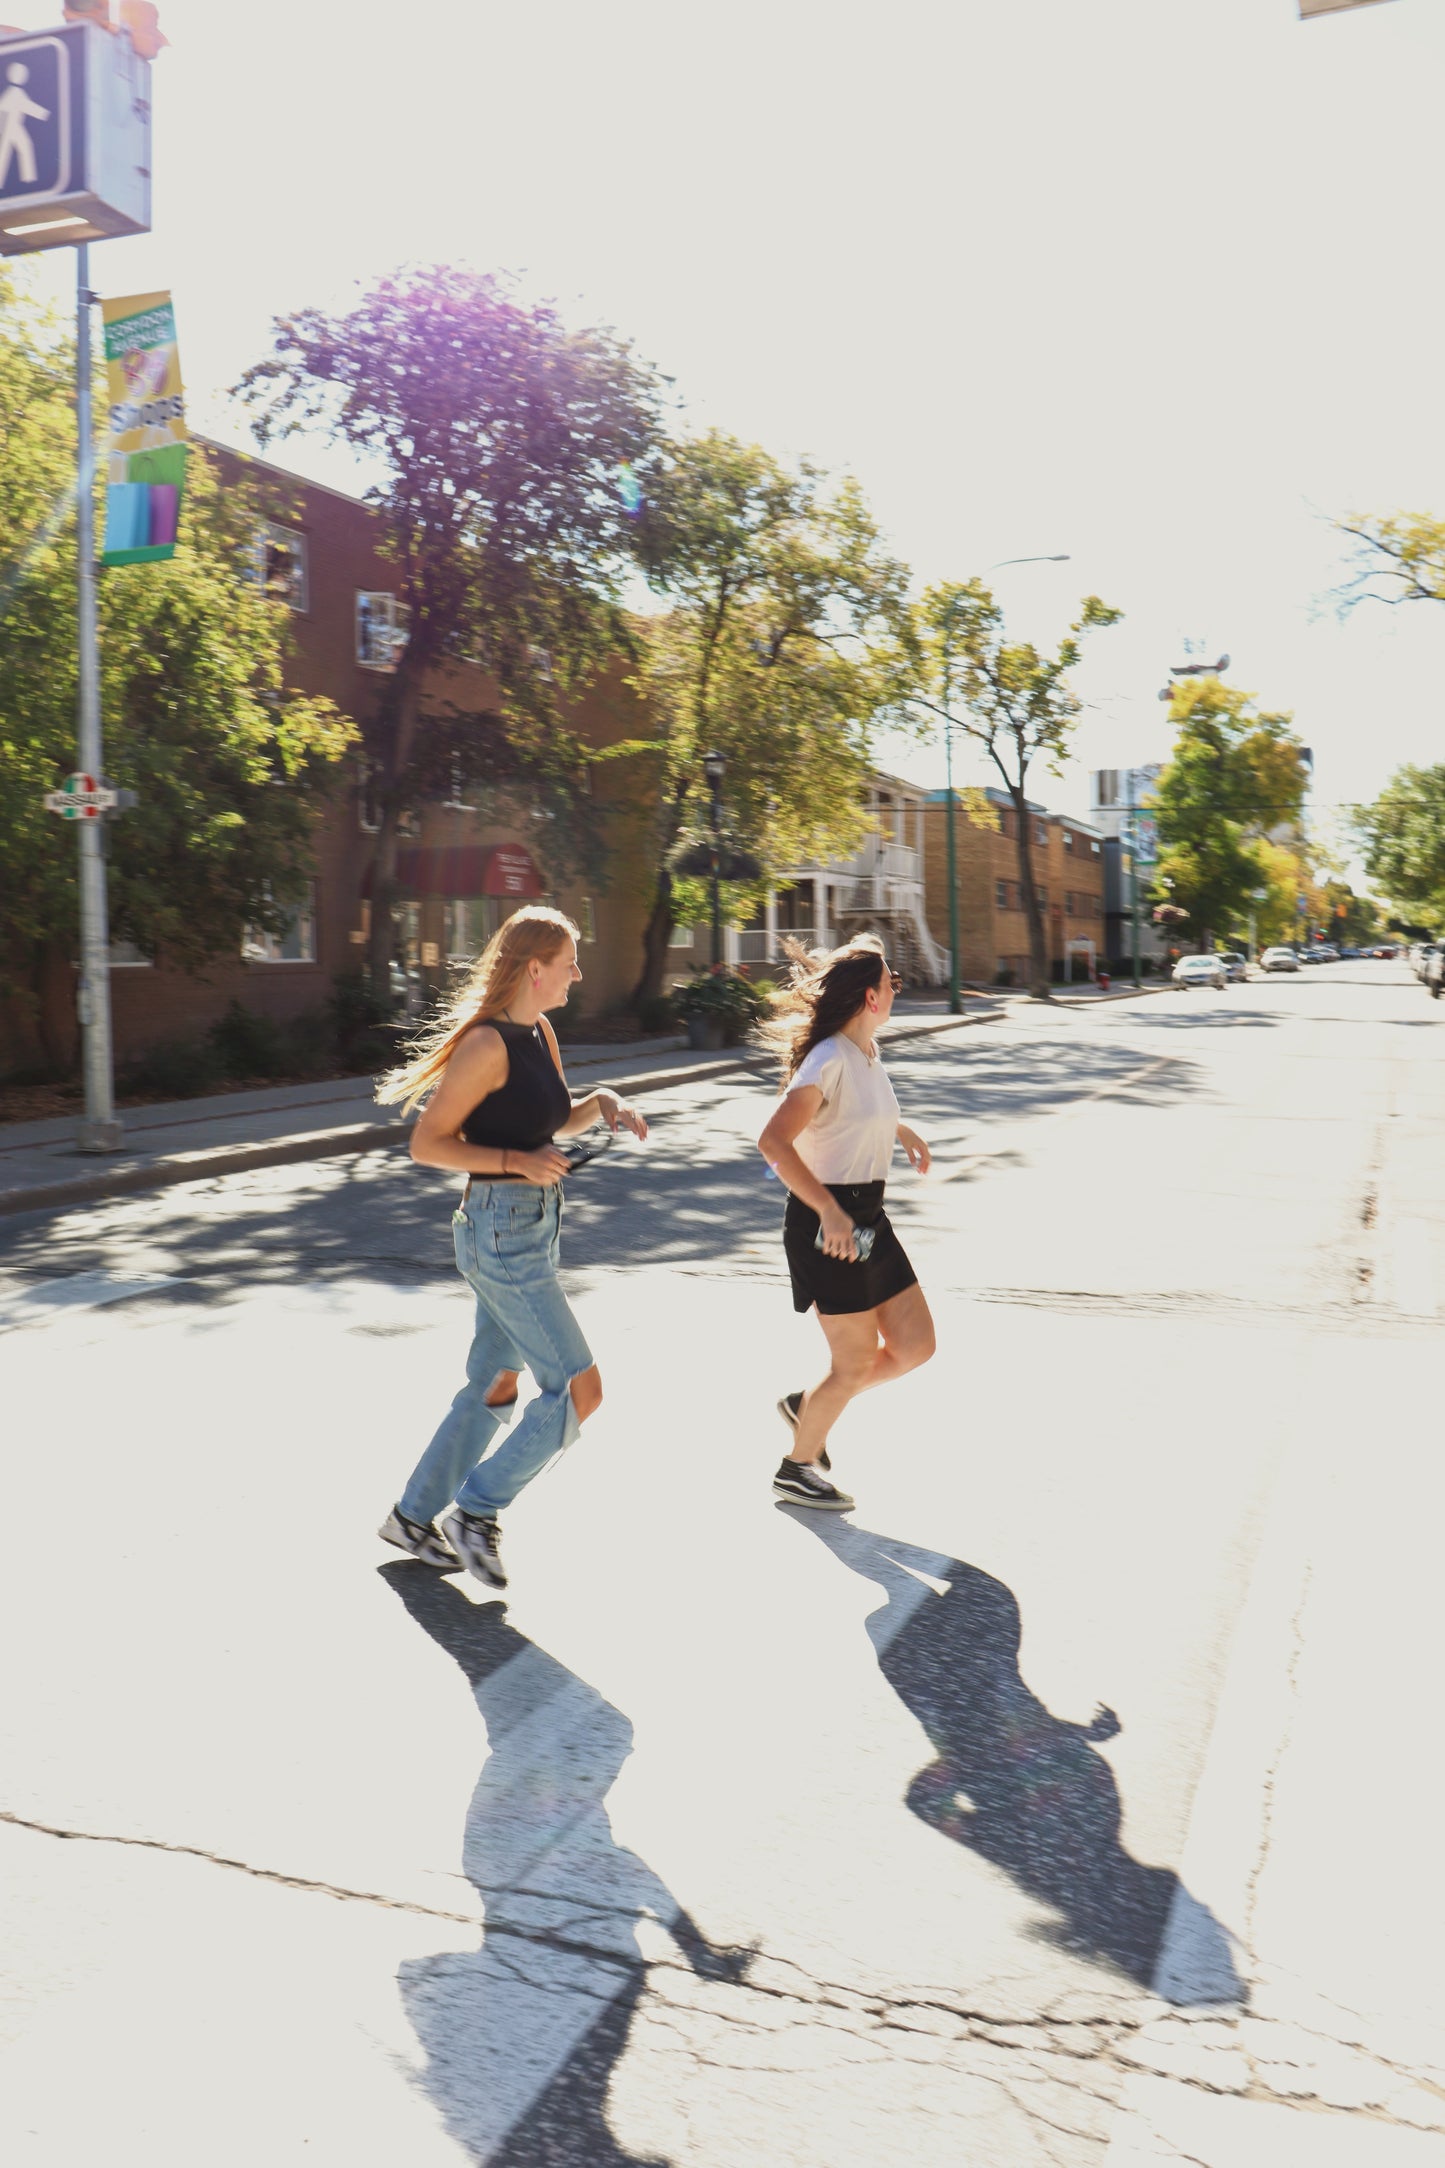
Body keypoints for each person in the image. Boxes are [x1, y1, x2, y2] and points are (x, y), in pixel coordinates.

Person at [375, 906, 648, 1587]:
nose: (577, 974)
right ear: (535, 968)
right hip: (499, 1230)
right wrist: (515, 1163)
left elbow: (552, 1118)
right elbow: (427, 1144)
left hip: (532, 1225)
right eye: (569, 963)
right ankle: (476, 1511)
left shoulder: (539, 1034)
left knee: (496, 1384)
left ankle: (411, 1518)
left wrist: (604, 1101)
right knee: (580, 1390)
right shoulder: (486, 1046)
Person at [756, 935, 935, 1508]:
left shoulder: (865, 1053)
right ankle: (797, 1466)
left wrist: (899, 1132)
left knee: (914, 1345)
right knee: (855, 1359)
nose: (896, 991)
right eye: (893, 982)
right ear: (870, 997)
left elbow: (856, 1116)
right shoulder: (828, 1058)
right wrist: (828, 1212)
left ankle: (810, 1407)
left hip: (866, 1218)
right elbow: (774, 1142)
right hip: (826, 1222)